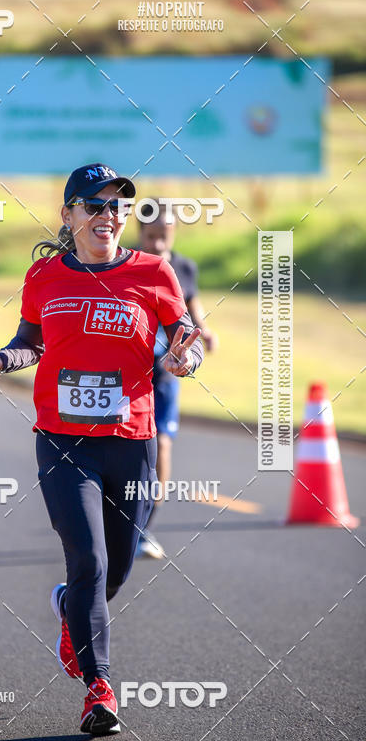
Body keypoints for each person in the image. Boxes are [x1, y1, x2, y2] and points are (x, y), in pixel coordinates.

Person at [0, 163, 203, 736]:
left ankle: (70, 604)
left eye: (117, 206)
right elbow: (29, 344)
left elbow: (184, 347)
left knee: (114, 571)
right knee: (89, 558)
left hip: (132, 443)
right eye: (93, 205)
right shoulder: (44, 276)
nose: (108, 215)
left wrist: (180, 362)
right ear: (68, 216)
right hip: (64, 442)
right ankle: (100, 691)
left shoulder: (155, 272)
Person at [135, 201, 218, 559]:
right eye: (150, 237)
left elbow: (192, 303)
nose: (156, 245)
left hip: (166, 375)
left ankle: (145, 528)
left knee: (162, 447)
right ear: (139, 233)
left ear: (173, 233)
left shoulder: (184, 267)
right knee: (130, 451)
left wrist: (206, 330)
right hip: (128, 376)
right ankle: (118, 521)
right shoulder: (127, 266)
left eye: (163, 237)